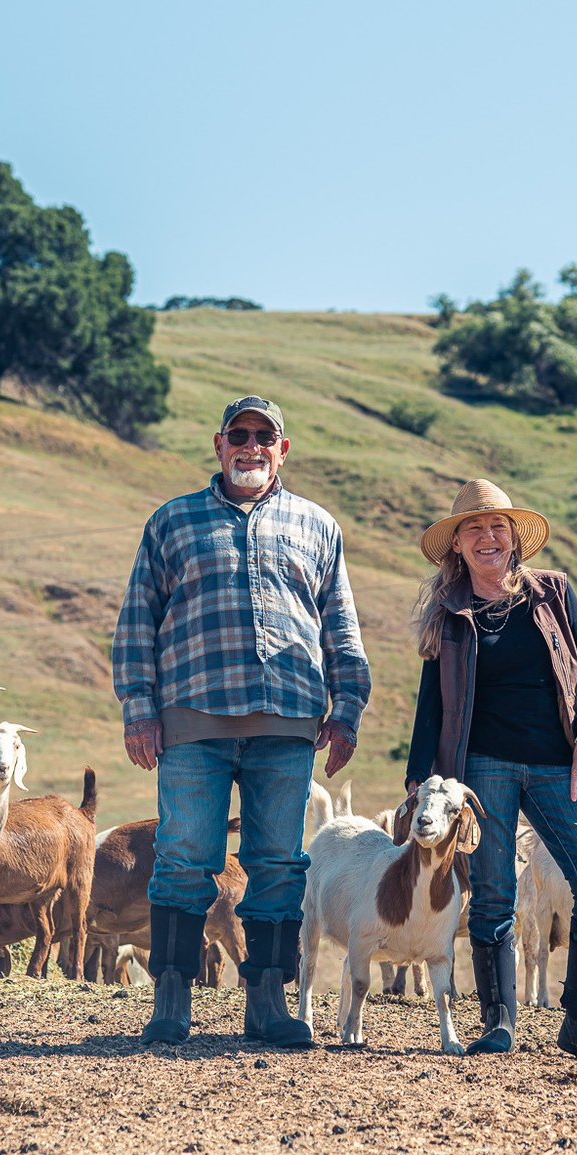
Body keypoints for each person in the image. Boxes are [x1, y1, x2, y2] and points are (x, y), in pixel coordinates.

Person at [112, 395, 369, 1049]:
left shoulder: (318, 526)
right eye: (239, 434)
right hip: (192, 718)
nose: (251, 445)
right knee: (183, 857)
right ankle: (171, 994)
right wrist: (139, 708)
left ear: (283, 450)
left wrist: (347, 711)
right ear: (219, 444)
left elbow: (340, 624)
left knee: (279, 863)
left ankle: (268, 1000)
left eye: (265, 436)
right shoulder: (172, 521)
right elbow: (137, 618)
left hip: (288, 720)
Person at [403, 479, 577, 1061]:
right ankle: (498, 1025)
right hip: (482, 768)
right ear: (457, 546)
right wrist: (416, 778)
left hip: (559, 763)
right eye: (473, 529)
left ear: (514, 537)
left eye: (497, 526)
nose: (487, 537)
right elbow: (432, 704)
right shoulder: (449, 614)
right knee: (495, 892)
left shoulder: (553, 593)